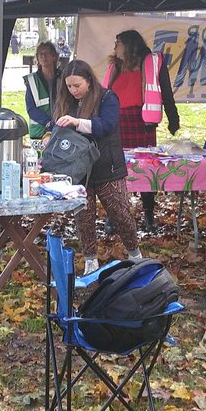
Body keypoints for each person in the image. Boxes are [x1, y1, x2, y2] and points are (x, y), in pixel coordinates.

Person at [52, 59, 142, 276]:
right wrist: (51, 136)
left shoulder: (108, 97)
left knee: (120, 214)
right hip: (79, 170)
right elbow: (55, 124)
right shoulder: (66, 100)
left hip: (108, 167)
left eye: (77, 85)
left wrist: (76, 122)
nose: (72, 90)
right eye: (69, 86)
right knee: (83, 217)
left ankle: (136, 255)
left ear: (89, 82)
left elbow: (107, 126)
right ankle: (91, 260)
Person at [104, 29, 179, 232]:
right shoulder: (115, 67)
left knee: (146, 169)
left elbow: (166, 91)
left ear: (129, 45)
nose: (115, 47)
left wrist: (174, 119)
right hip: (117, 125)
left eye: (118, 43)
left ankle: (148, 214)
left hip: (141, 123)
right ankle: (114, 215)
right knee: (116, 171)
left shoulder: (152, 64)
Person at [24, 41, 62, 140]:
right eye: (41, 54)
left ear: (54, 57)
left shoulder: (63, 77)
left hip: (61, 129)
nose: (44, 56)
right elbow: (31, 108)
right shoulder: (32, 80)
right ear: (37, 58)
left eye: (47, 53)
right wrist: (48, 122)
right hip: (38, 132)